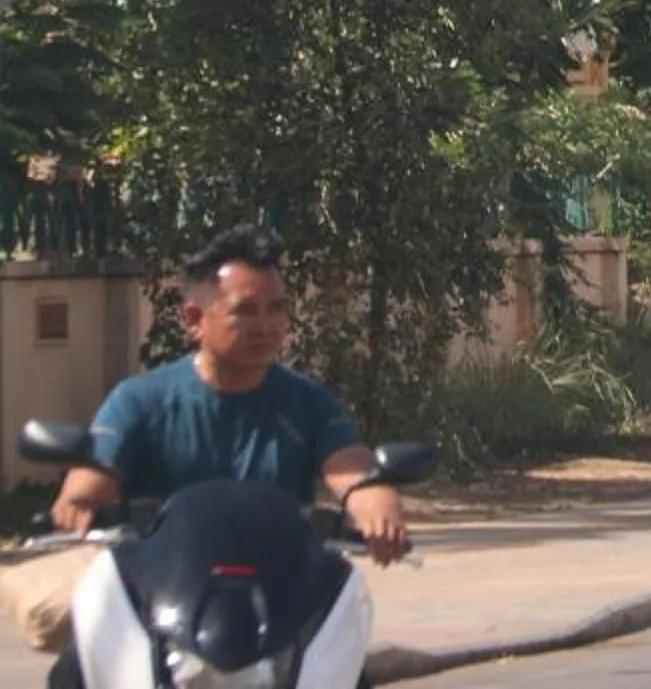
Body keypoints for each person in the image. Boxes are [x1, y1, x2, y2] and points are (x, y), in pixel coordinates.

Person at [48, 226, 410, 562]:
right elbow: (94, 472)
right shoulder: (139, 401)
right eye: (246, 311)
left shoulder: (308, 402)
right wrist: (80, 500)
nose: (266, 326)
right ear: (194, 319)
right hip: (164, 592)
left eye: (277, 308)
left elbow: (353, 471)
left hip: (279, 593)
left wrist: (378, 507)